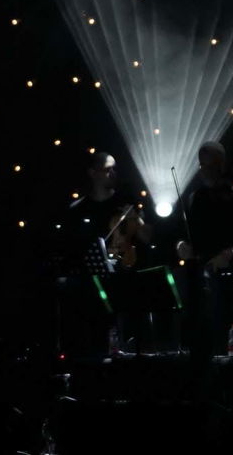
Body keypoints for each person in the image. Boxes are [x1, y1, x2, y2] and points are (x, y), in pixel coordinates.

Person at [60, 151, 155, 356]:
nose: (113, 173)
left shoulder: (125, 202)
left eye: (115, 169)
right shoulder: (79, 209)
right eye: (107, 169)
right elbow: (71, 250)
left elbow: (148, 238)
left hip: (126, 280)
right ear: (93, 173)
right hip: (93, 287)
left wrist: (137, 220)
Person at [174, 141, 233, 358]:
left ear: (221, 164)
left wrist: (228, 253)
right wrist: (182, 246)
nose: (204, 170)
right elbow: (185, 237)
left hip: (231, 274)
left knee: (230, 332)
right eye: (202, 165)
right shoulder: (195, 197)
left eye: (210, 164)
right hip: (202, 277)